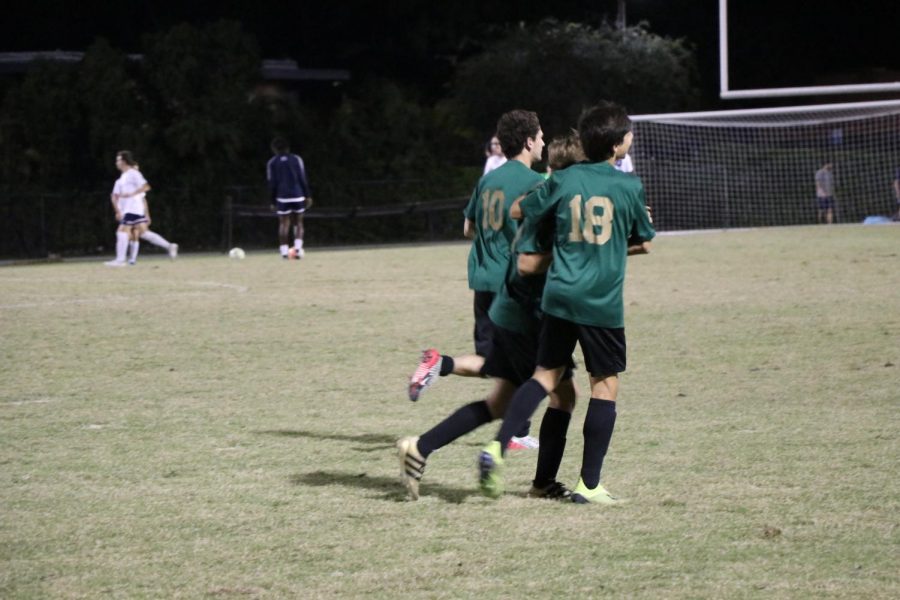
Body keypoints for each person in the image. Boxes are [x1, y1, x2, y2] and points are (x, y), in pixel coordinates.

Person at [477, 101, 656, 505]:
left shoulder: (563, 179)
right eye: (627, 134)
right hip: (600, 303)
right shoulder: (628, 186)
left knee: (545, 377)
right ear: (616, 145)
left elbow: (520, 209)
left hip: (557, 297)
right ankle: (589, 485)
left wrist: (560, 229)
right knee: (604, 386)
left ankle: (499, 446)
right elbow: (643, 240)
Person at [397, 130, 590, 502]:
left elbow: (507, 214)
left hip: (506, 306)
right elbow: (531, 258)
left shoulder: (541, 192)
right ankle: (529, 473)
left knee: (500, 402)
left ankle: (419, 448)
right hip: (526, 314)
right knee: (561, 393)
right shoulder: (551, 197)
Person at [408, 110, 546, 449]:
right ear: (528, 142)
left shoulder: (488, 179)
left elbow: (468, 227)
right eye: (541, 136)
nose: (544, 141)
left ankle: (440, 364)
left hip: (481, 278)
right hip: (509, 284)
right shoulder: (535, 183)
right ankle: (515, 433)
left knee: (496, 361)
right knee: (527, 363)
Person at [105, 151, 178, 267]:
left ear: (124, 161)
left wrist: (132, 194)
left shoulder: (133, 173)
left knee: (122, 231)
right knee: (144, 233)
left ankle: (120, 260)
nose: (117, 162)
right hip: (132, 209)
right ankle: (169, 246)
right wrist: (119, 209)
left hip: (133, 208)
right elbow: (115, 196)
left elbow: (146, 186)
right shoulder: (123, 176)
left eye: (118, 160)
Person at [267, 137, 312, 259]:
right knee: (299, 222)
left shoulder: (272, 162)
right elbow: (302, 178)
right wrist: (307, 195)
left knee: (283, 223)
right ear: (288, 148)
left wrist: (272, 201)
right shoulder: (296, 159)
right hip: (297, 195)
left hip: (282, 197)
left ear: (274, 149)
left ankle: (284, 252)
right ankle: (297, 249)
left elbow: (272, 183)